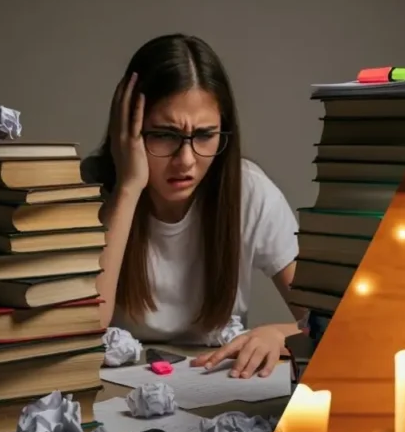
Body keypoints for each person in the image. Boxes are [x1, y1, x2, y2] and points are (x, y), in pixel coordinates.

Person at [83, 33, 305, 379]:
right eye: (165, 135)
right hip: (111, 389)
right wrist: (128, 188)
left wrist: (280, 334)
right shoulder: (86, 191)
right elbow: (86, 325)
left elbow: (333, 321)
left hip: (216, 384)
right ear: (127, 129)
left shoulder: (249, 190)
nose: (186, 160)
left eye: (204, 135)